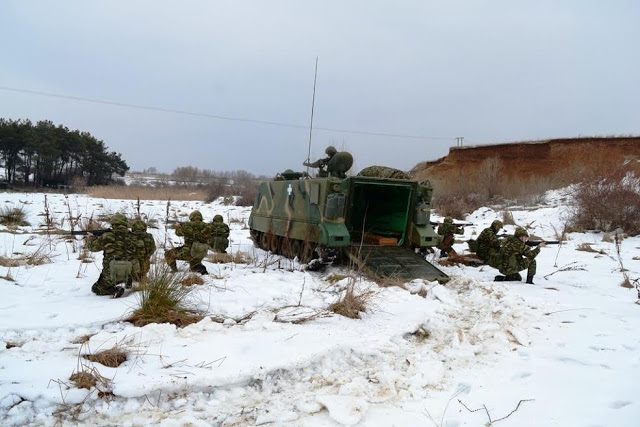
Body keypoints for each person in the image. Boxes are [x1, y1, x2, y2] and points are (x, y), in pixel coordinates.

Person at [86, 213, 142, 298]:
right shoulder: (134, 237)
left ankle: (115, 290)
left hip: (112, 272)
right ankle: (128, 283)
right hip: (130, 272)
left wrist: (90, 238)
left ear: (113, 224)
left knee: (96, 288)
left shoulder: (107, 236)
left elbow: (92, 248)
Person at [164, 210, 212, 274]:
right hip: (201, 252)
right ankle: (197, 266)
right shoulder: (207, 226)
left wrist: (178, 227)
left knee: (168, 254)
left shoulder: (187, 225)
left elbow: (178, 233)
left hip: (188, 252)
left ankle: (174, 271)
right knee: (194, 263)